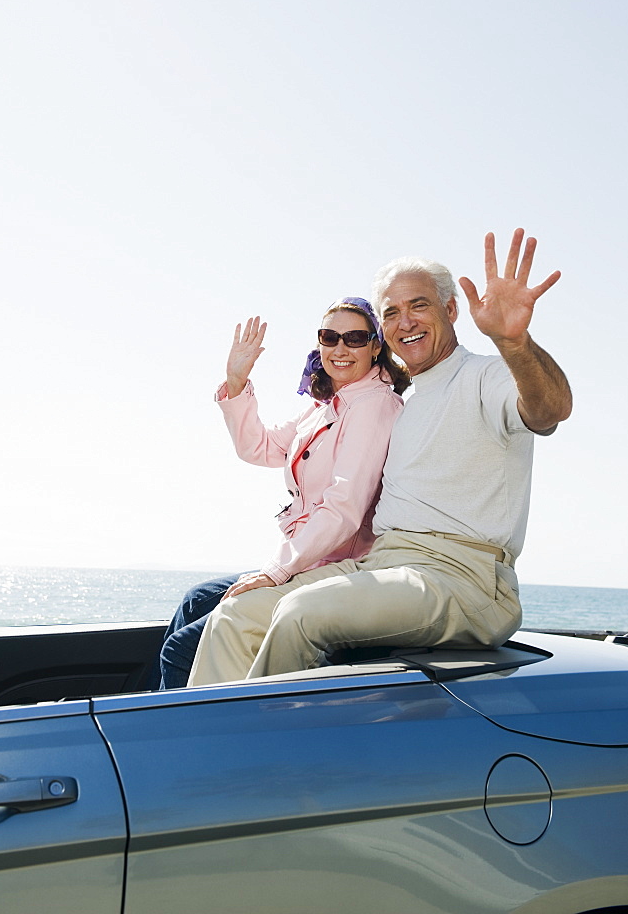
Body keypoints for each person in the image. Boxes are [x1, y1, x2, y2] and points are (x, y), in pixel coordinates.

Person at [187, 228, 573, 686]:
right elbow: (267, 448)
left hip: (464, 577)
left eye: (419, 305)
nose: (405, 321)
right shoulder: (404, 403)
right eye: (391, 312)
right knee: (235, 615)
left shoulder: (485, 376)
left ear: (451, 310)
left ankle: (266, 750)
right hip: (385, 564)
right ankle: (211, 746)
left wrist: (513, 342)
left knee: (300, 612)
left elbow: (550, 410)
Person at [157, 296, 408, 688]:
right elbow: (261, 448)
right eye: (330, 337)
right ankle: (141, 712)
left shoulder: (374, 406)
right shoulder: (325, 406)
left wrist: (275, 572)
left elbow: (343, 508)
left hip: (338, 565)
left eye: (355, 338)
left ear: (376, 346)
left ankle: (169, 735)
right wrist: (237, 382)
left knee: (182, 648)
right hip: (306, 560)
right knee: (194, 600)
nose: (340, 349)